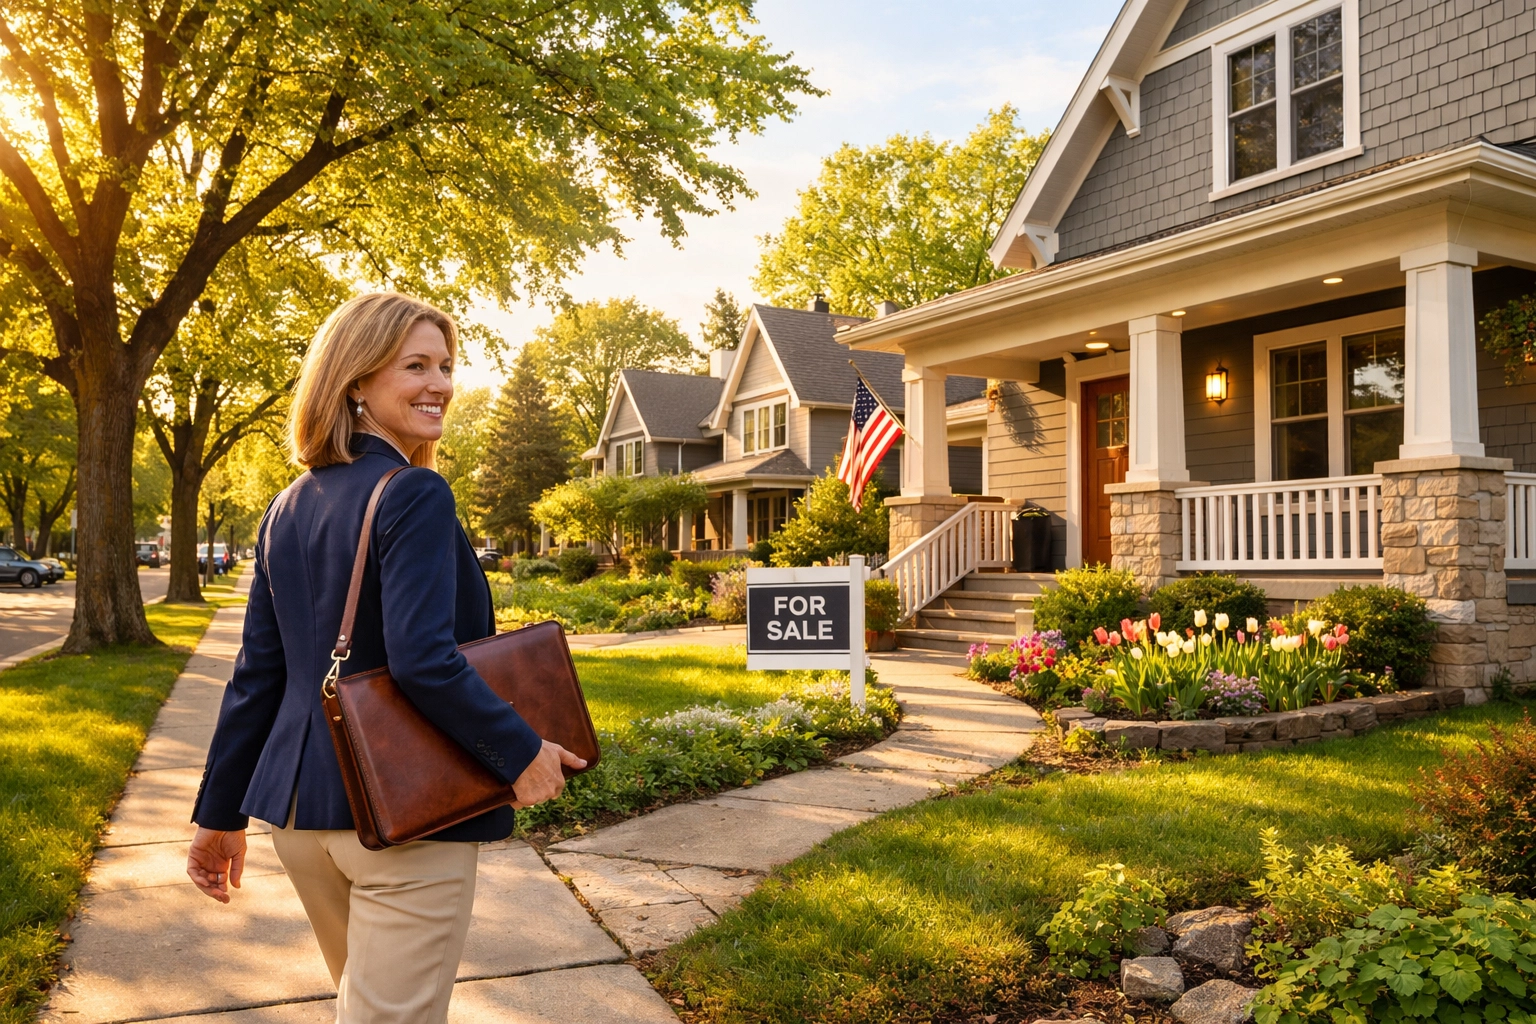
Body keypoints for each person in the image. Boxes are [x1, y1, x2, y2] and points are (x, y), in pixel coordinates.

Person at [186, 292, 585, 1023]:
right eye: (416, 366)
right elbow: (423, 660)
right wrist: (520, 752)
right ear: (357, 381)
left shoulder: (286, 505)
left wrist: (220, 814)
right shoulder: (416, 492)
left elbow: (258, 674)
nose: (440, 384)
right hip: (402, 820)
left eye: (446, 365)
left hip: (300, 823)